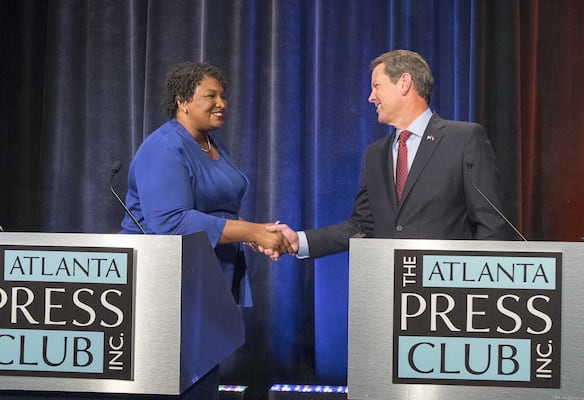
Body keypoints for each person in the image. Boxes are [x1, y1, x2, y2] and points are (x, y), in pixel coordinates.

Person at [120, 61, 292, 398]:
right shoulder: (164, 147)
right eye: (210, 95)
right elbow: (171, 222)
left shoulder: (210, 143)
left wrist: (253, 234)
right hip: (169, 284)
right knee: (180, 381)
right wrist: (251, 231)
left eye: (223, 96)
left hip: (208, 275)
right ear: (183, 100)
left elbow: (220, 206)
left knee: (204, 377)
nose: (222, 103)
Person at [269, 49, 512, 258]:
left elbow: (492, 224)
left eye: (377, 86)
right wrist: (298, 241)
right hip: (392, 292)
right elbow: (362, 226)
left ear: (404, 83)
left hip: (448, 296)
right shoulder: (375, 155)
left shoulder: (463, 139)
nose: (371, 97)